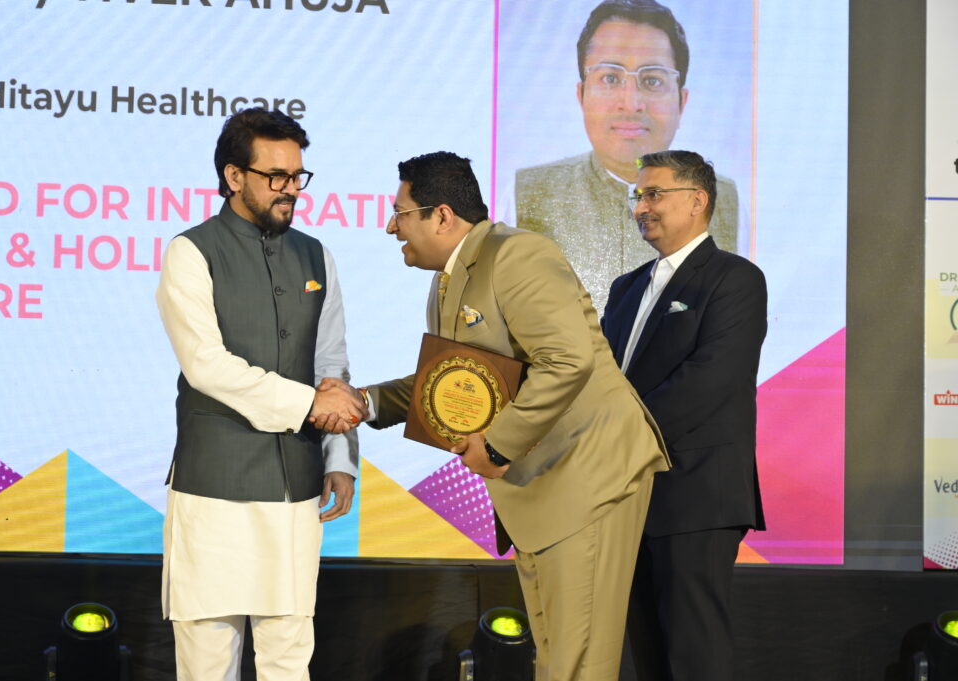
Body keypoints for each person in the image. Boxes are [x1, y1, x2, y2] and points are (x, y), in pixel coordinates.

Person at [319, 151, 670, 681]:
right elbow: (452, 381)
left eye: (400, 213)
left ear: (441, 216)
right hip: (540, 488)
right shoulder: (447, 280)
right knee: (553, 657)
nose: (392, 227)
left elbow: (567, 360)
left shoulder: (517, 255)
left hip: (587, 477)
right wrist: (364, 401)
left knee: (579, 662)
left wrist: (499, 444)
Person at [155, 107, 364, 681]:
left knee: (288, 660)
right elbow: (206, 366)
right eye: (276, 176)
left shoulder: (316, 254)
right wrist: (307, 405)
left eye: (297, 176)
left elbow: (332, 366)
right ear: (233, 176)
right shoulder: (190, 251)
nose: (290, 189)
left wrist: (340, 458)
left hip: (295, 488)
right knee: (207, 664)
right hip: (212, 488)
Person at [600, 150, 766, 681]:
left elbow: (710, 381)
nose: (640, 207)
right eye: (638, 196)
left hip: (696, 494)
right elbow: (601, 381)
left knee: (694, 652)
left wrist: (614, 437)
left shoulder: (734, 279)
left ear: (697, 201)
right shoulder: (626, 287)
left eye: (654, 194)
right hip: (627, 492)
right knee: (647, 649)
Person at [511, 0, 742, 312]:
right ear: (581, 95)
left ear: (681, 101)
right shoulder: (524, 193)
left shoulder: (727, 201)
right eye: (610, 78)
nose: (631, 103)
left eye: (652, 80)